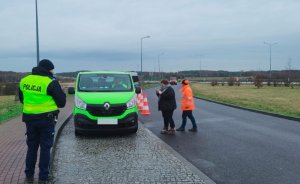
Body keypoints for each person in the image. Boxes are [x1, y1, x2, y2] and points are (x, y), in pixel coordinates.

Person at [19, 59, 66, 183]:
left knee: (31, 147)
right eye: (52, 70)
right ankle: (43, 177)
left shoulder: (24, 80)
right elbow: (62, 103)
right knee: (45, 148)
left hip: (29, 119)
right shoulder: (50, 82)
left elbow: (22, 99)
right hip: (46, 120)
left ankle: (28, 176)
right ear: (48, 69)